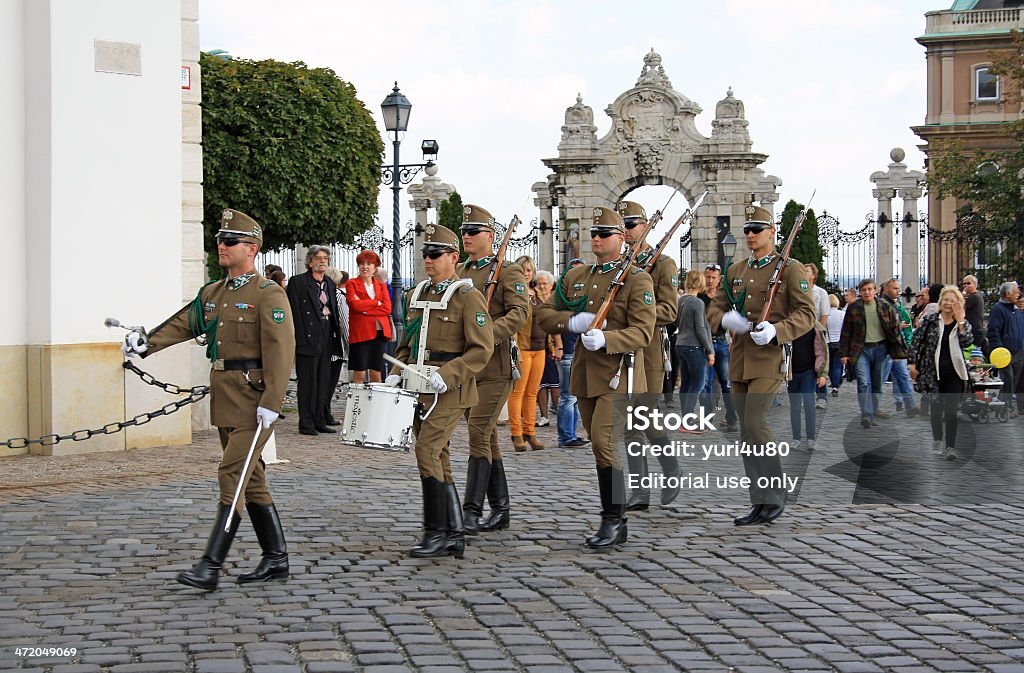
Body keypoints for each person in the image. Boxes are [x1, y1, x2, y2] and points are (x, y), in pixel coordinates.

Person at [121, 209, 295, 591]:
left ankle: (210, 565)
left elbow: (281, 351)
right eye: (220, 239)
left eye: (229, 241)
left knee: (231, 473)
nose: (221, 245)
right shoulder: (213, 293)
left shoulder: (268, 293)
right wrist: (145, 344)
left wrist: (272, 400)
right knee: (252, 480)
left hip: (254, 400)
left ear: (252, 248)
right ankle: (276, 557)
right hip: (226, 396)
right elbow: (185, 323)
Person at [536, 206, 656, 548]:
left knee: (604, 442)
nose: (597, 239)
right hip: (586, 373)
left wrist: (609, 338)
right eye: (594, 233)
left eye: (604, 234)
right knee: (598, 445)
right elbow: (545, 313)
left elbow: (644, 331)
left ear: (621, 238)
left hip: (620, 374)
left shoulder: (636, 279)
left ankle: (614, 519)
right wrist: (570, 322)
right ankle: (614, 516)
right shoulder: (577, 277)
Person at [385, 224, 494, 558]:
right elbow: (408, 342)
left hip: (451, 388)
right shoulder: (416, 294)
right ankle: (453, 533)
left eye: (435, 254)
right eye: (425, 254)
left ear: (453, 258)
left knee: (427, 451)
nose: (428, 260)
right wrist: (395, 372)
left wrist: (449, 375)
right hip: (418, 386)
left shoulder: (467, 296)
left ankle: (435, 531)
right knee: (438, 455)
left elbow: (482, 348)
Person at [707, 205, 816, 526]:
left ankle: (776, 490)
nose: (751, 235)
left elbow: (806, 314)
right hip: (740, 357)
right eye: (747, 230)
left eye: (757, 229)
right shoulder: (736, 270)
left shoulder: (791, 269)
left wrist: (777, 331)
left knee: (755, 423)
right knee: (745, 433)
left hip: (769, 357)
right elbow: (715, 307)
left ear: (772, 232)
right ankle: (760, 501)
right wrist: (727, 318)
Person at [456, 204, 529, 535]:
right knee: (488, 438)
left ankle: (471, 511)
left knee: (477, 433)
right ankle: (501, 509)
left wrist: (485, 334)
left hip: (496, 365)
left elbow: (518, 314)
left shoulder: (508, 272)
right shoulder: (459, 271)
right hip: (466, 367)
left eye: (473, 232)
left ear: (490, 236)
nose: (466, 237)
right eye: (463, 232)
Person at [617, 200, 681, 512]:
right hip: (622, 351)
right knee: (631, 421)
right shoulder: (619, 267)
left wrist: (637, 312)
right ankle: (641, 491)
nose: (625, 233)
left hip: (651, 350)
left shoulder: (664, 264)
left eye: (630, 226)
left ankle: (670, 468)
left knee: (641, 414)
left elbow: (669, 311)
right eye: (621, 227)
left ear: (645, 226)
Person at [908, 286, 973, 460]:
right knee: (936, 410)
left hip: (954, 372)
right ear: (940, 301)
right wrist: (912, 364)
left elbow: (967, 342)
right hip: (932, 372)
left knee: (951, 411)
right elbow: (915, 342)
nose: (948, 303)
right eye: (946, 299)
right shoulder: (930, 321)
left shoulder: (963, 324)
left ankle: (950, 446)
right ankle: (937, 439)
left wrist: (960, 322)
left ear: (958, 304)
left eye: (953, 300)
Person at [287, 246, 343, 435]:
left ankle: (320, 419)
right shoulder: (298, 282)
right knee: (308, 381)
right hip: (307, 336)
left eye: (325, 258)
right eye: (318, 258)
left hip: (327, 334)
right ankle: (306, 423)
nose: (323, 261)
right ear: (310, 261)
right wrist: (299, 339)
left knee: (323, 379)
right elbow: (293, 311)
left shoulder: (329, 282)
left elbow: (334, 310)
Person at [506, 255, 546, 451]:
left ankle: (530, 431)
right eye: (522, 270)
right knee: (517, 393)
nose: (526, 274)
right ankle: (516, 434)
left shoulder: (539, 293)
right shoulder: (516, 293)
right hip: (522, 347)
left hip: (540, 348)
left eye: (529, 270)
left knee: (532, 393)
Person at [698, 263, 739, 431]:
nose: (710, 280)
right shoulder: (699, 298)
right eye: (707, 277)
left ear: (719, 279)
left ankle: (732, 419)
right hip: (704, 344)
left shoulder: (724, 298)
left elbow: (732, 322)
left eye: (713, 277)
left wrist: (735, 344)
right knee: (705, 384)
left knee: (726, 383)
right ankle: (705, 419)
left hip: (721, 342)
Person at [556, 258, 590, 449]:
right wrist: (558, 345)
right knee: (568, 397)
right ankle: (566, 436)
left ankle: (573, 433)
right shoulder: (562, 296)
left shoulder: (588, 294)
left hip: (582, 350)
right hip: (568, 350)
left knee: (576, 397)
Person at [346, 250, 393, 385]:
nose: (365, 267)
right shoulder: (352, 284)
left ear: (375, 267)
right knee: (359, 374)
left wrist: (366, 311)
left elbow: (387, 308)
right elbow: (355, 306)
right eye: (362, 264)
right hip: (360, 333)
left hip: (378, 332)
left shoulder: (381, 285)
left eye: (369, 264)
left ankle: (374, 405)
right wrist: (375, 303)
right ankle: (357, 404)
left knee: (376, 374)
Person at [675, 270, 713, 423]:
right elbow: (701, 329)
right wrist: (710, 350)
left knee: (685, 383)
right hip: (694, 346)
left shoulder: (680, 300)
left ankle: (685, 414)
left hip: (680, 344)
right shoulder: (697, 303)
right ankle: (688, 417)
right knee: (698, 383)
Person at [879, 277, 920, 416]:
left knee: (902, 376)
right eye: (895, 288)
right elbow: (883, 326)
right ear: (886, 289)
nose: (898, 291)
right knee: (881, 378)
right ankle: (872, 407)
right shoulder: (882, 304)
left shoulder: (896, 305)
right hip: (886, 348)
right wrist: (899, 326)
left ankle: (910, 406)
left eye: (898, 288)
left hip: (896, 347)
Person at [787, 322, 829, 450]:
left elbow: (824, 352)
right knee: (795, 406)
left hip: (809, 371)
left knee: (809, 403)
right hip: (792, 373)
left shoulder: (815, 328)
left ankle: (811, 439)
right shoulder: (788, 327)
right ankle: (796, 438)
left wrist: (823, 374)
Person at [986, 280, 1024, 416]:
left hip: (1018, 352)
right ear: (1007, 294)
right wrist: (999, 350)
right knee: (1007, 380)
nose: (1018, 294)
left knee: (1013, 381)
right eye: (1015, 292)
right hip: (1004, 353)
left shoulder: (1017, 310)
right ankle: (1004, 407)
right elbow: (993, 331)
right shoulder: (998, 309)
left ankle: (1004, 406)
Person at [322, 267, 350, 425]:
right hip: (335, 346)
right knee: (330, 383)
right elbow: (344, 323)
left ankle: (319, 412)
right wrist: (350, 345)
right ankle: (325, 413)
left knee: (321, 382)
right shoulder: (339, 296)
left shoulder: (321, 294)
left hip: (321, 346)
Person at [534, 270, 561, 428]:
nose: (542, 286)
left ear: (552, 285)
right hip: (537, 345)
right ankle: (544, 416)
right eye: (539, 283)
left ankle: (559, 413)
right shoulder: (533, 299)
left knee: (554, 382)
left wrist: (558, 345)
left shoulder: (556, 301)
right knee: (541, 383)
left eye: (545, 283)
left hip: (552, 345)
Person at [804, 263, 831, 409]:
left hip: (815, 333)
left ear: (813, 275)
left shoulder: (820, 293)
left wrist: (818, 331)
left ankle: (821, 395)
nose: (803, 272)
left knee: (819, 364)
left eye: (806, 270)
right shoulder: (799, 291)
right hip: (801, 335)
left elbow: (825, 315)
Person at [825, 294, 846, 396]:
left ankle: (833, 381)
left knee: (830, 365)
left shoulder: (825, 315)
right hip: (839, 342)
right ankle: (835, 386)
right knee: (837, 365)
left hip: (828, 342)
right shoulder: (842, 314)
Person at [962, 275, 987, 354]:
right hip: (972, 329)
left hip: (975, 331)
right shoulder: (972, 296)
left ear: (975, 285)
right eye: (964, 284)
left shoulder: (975, 297)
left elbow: (960, 303)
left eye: (968, 283)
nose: (966, 286)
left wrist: (963, 293)